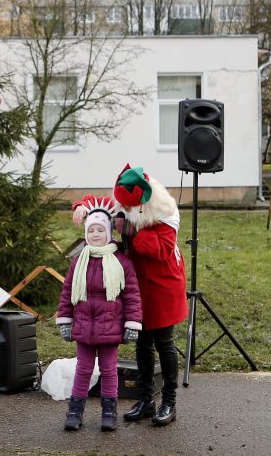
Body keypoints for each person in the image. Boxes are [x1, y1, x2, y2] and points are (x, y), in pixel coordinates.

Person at [56, 201, 142, 432]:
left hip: (110, 326)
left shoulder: (121, 262)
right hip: (84, 326)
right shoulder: (78, 262)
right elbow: (67, 293)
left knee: (108, 370)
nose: (95, 234)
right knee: (83, 369)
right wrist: (65, 320)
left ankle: (109, 412)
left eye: (100, 230)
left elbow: (132, 294)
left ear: (108, 232)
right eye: (91, 230)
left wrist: (132, 323)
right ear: (86, 234)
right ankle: (75, 412)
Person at [112, 164, 187, 427]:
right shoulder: (127, 205)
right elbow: (96, 203)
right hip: (138, 286)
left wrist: (133, 233)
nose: (126, 211)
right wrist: (83, 208)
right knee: (142, 343)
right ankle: (145, 400)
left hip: (163, 285)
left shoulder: (164, 213)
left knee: (163, 344)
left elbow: (163, 250)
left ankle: (169, 402)